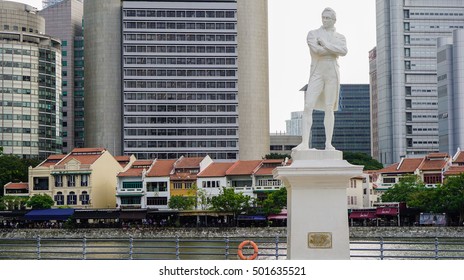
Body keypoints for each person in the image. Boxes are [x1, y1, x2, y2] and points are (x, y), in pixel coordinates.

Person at [293, 7, 347, 151]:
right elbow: (317, 51)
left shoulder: (340, 37)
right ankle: (305, 142)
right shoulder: (313, 34)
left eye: (327, 18)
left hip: (332, 72)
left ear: (334, 20)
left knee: (329, 108)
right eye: (323, 17)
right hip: (317, 71)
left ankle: (328, 143)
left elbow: (344, 51)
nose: (324, 20)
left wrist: (325, 44)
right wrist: (332, 49)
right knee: (308, 105)